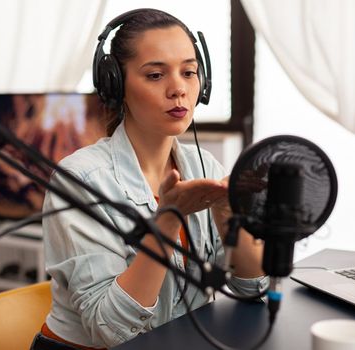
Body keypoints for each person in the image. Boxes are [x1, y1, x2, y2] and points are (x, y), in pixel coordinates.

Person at [31, 8, 267, 350]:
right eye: (156, 75)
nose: (178, 89)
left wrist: (232, 216)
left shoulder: (205, 167)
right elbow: (111, 332)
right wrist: (166, 225)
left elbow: (253, 292)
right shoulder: (78, 181)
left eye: (189, 72)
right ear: (115, 85)